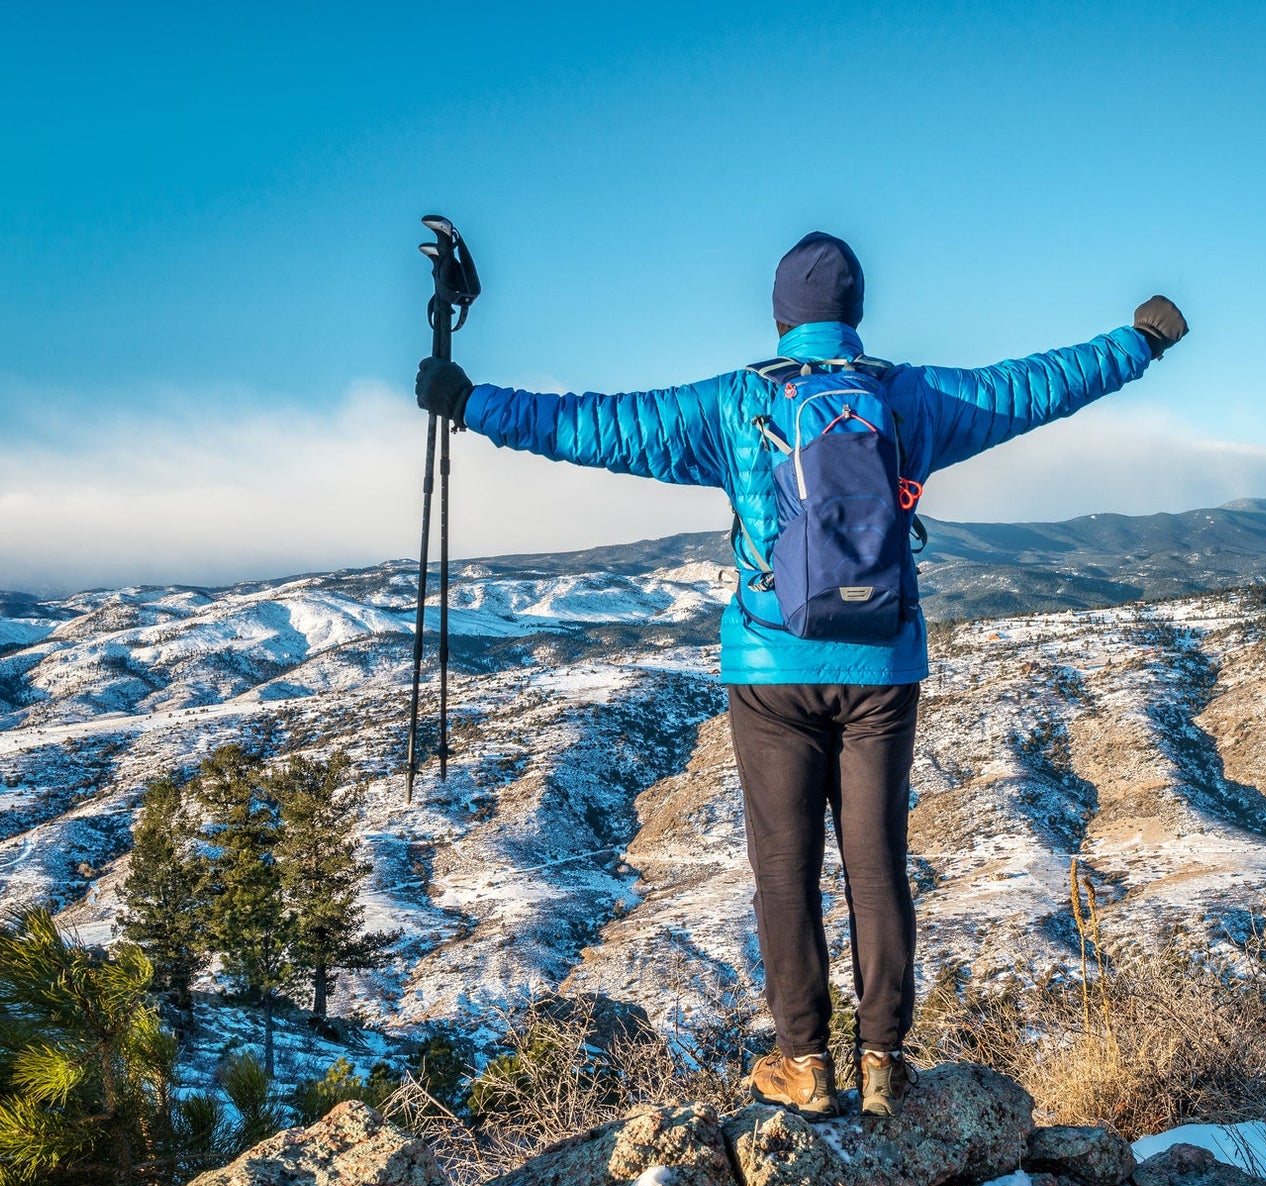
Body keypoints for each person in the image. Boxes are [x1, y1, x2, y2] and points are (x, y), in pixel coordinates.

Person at [417, 231, 1186, 1117]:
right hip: (884, 666)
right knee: (877, 863)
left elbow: (594, 425)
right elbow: (1033, 388)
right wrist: (1139, 343)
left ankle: (805, 1066)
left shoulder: (734, 405)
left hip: (770, 666)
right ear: (854, 313)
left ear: (782, 315)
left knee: (784, 869)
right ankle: (887, 1065)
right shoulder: (911, 399)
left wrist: (471, 403)